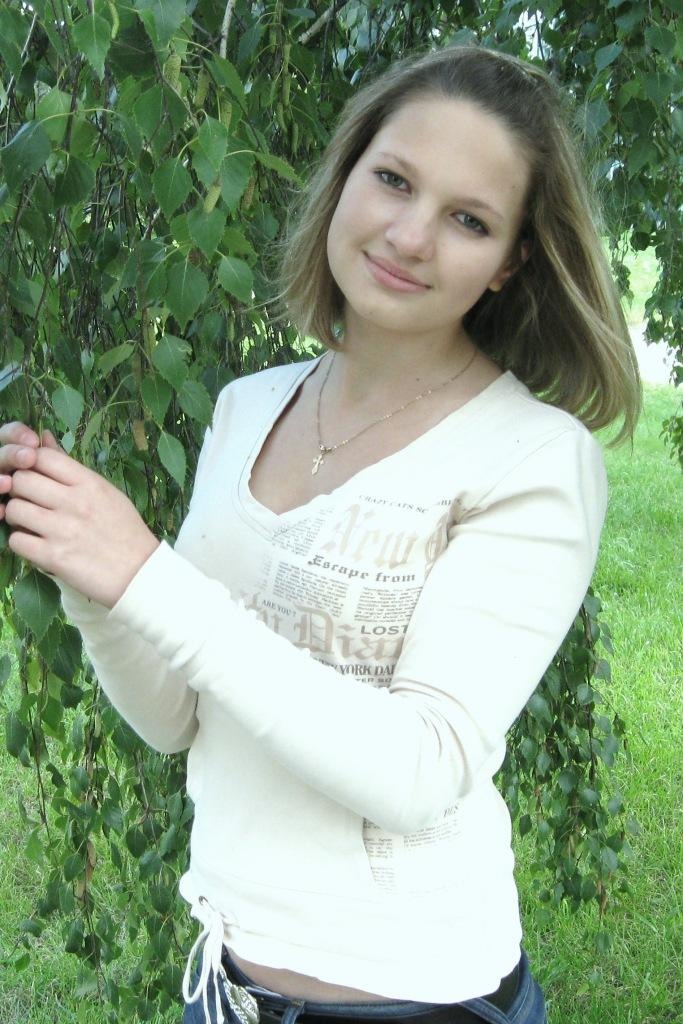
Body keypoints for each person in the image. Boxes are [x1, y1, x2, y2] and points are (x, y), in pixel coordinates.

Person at [0, 45, 640, 1024]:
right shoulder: (248, 407)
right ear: (345, 175)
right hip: (226, 987)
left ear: (509, 261)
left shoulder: (534, 458)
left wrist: (148, 574)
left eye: (467, 220)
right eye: (393, 180)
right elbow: (177, 721)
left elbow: (419, 770)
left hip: (415, 1002)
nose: (409, 235)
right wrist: (97, 581)